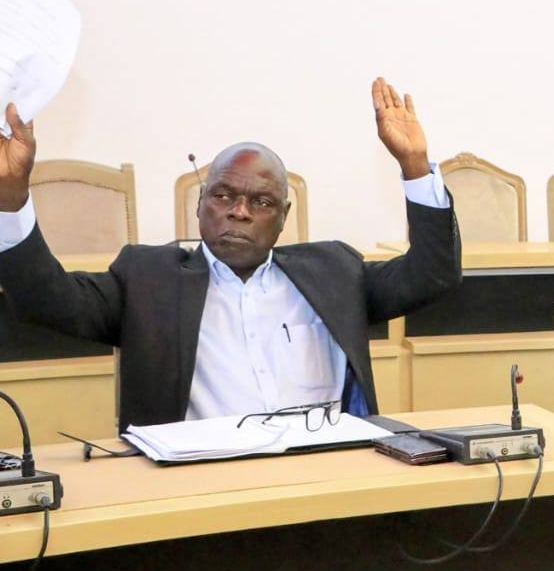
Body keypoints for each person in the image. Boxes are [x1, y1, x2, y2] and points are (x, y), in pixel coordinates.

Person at [0, 78, 462, 430]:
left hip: (325, 474)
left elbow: (432, 275)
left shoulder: (335, 272)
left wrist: (415, 169)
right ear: (200, 204)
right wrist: (11, 199)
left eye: (261, 202)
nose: (239, 211)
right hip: (199, 489)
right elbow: (46, 299)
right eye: (223, 196)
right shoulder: (147, 280)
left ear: (282, 217)